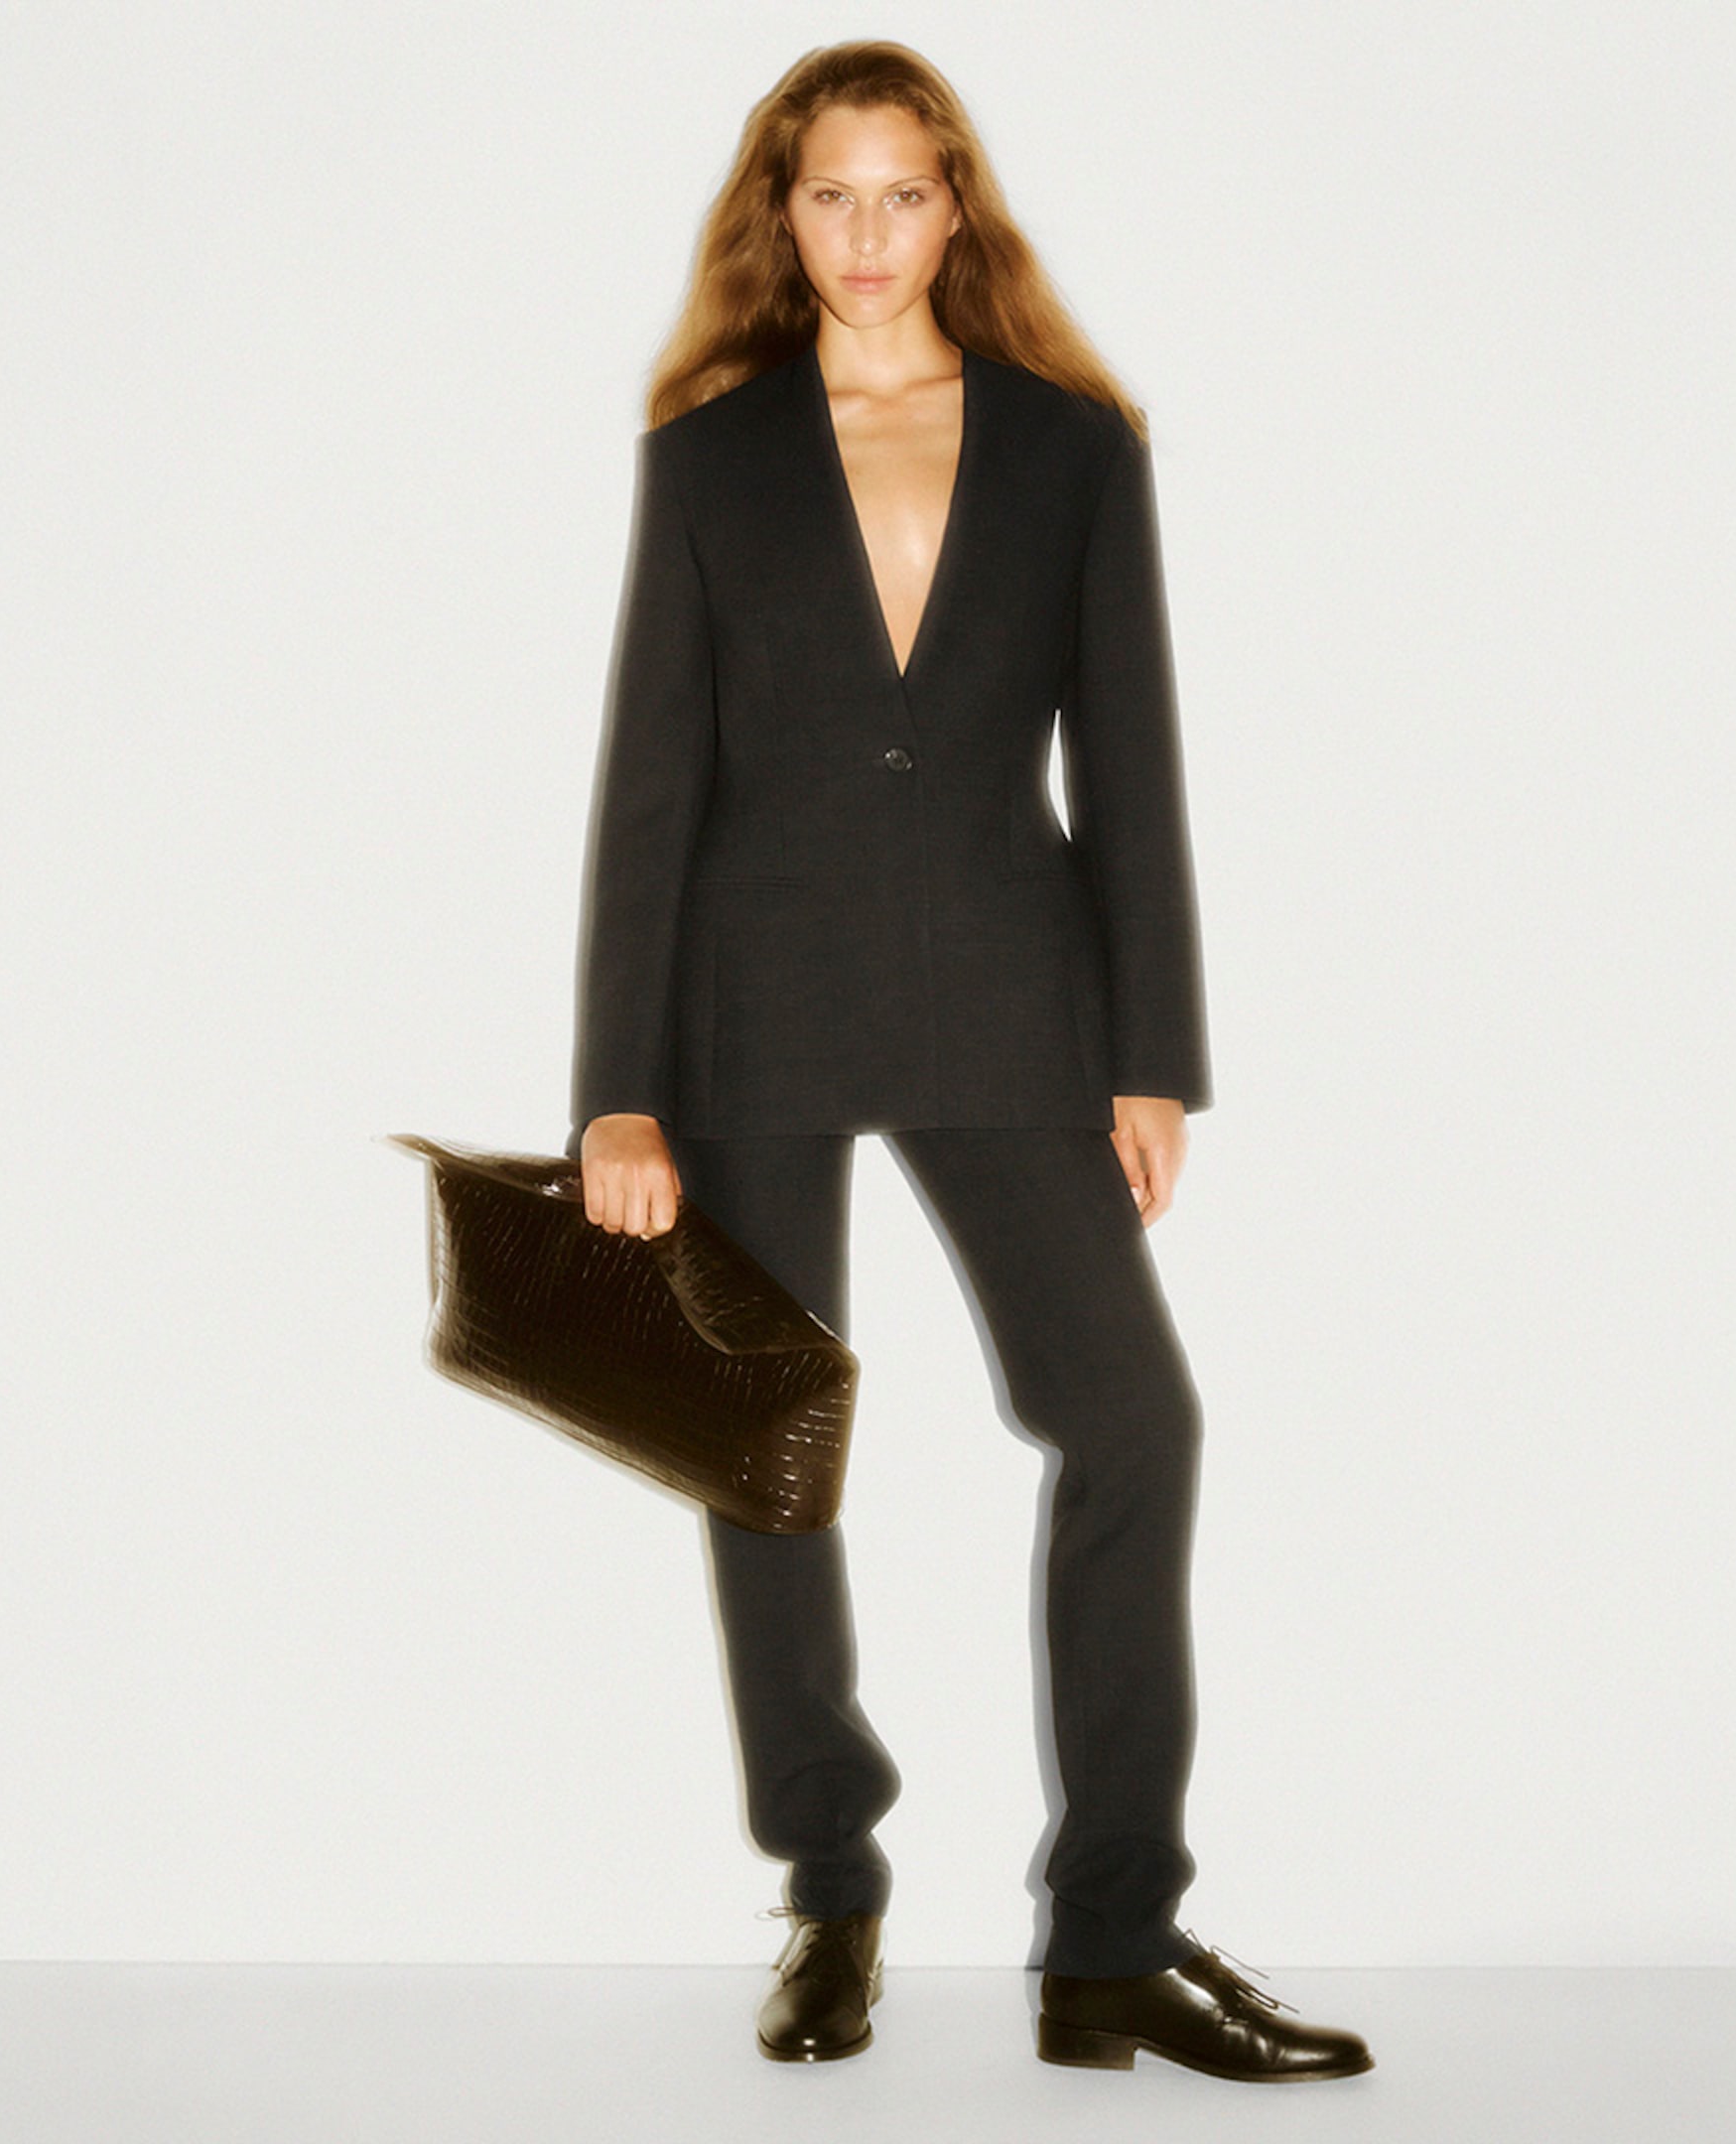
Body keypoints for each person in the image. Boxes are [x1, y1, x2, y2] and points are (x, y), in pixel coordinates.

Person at [567, 40, 1372, 2082]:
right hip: (754, 1005)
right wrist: (619, 1085)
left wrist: (1155, 1051)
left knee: (1135, 1425)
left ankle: (1113, 1941)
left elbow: (1137, 760)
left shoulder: (1076, 446)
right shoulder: (710, 453)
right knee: (771, 1455)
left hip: (1017, 999)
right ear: (782, 211)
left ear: (955, 206)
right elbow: (652, 788)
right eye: (824, 196)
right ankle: (830, 1888)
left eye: (898, 194)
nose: (861, 234)